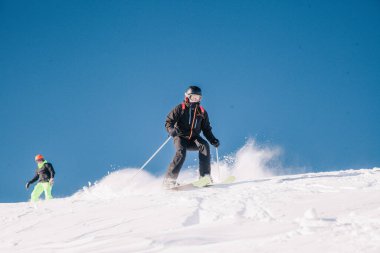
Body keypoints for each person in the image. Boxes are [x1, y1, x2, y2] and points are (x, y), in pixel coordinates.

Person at [163, 86, 220, 188]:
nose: (196, 100)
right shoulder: (180, 108)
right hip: (180, 137)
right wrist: (171, 129)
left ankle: (204, 177)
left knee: (204, 145)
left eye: (198, 98)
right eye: (193, 97)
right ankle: (169, 179)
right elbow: (169, 121)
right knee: (181, 152)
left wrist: (212, 139)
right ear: (188, 97)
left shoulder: (202, 112)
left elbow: (206, 129)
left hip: (193, 139)